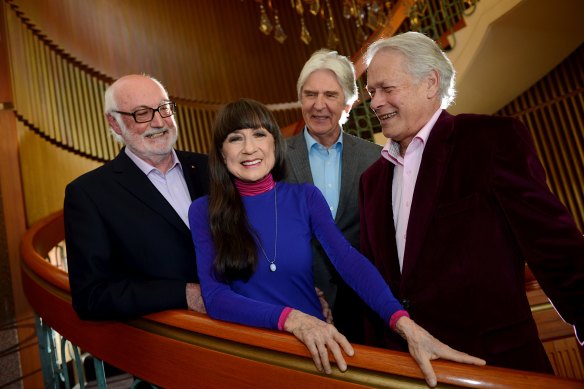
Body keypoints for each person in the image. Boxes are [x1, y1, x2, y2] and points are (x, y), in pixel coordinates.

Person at [189, 98, 485, 387]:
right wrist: (292, 319)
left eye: (259, 134)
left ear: (274, 144)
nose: (249, 148)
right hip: (253, 356)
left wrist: (403, 323)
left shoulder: (305, 197)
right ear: (221, 151)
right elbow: (215, 297)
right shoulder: (204, 211)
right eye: (235, 138)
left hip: (319, 352)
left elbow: (348, 260)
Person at [360, 31, 584, 374]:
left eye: (387, 89)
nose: (375, 103)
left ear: (430, 83)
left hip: (497, 368)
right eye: (371, 92)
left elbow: (555, 249)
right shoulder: (371, 181)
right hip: (409, 372)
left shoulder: (490, 141)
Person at [65, 74, 209, 320]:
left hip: (243, 331)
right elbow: (91, 295)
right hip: (168, 345)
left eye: (164, 109)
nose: (158, 122)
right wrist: (182, 293)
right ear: (114, 123)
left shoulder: (211, 168)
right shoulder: (89, 194)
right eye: (142, 113)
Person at [285, 49, 381, 342]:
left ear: (349, 103)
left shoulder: (375, 158)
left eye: (330, 95)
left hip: (365, 304)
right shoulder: (274, 157)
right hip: (300, 303)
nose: (318, 105)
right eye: (310, 94)